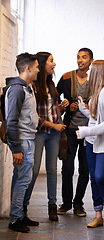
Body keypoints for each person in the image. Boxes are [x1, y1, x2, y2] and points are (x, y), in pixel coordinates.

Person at [24, 52, 68, 222]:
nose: (54, 64)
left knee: (52, 171)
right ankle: (23, 206)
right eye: (51, 61)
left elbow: (52, 110)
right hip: (40, 133)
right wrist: (53, 125)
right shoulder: (33, 87)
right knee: (34, 171)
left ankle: (52, 207)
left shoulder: (51, 85)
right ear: (42, 64)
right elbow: (34, 115)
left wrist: (61, 108)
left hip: (54, 134)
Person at [76, 60, 104, 233]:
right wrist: (83, 109)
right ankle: (98, 215)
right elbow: (96, 117)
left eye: (91, 71)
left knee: (100, 177)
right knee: (94, 178)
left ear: (97, 73)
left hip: (102, 143)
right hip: (91, 143)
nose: (88, 73)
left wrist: (86, 131)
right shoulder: (98, 92)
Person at [4, 53, 39, 233]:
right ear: (28, 68)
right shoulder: (17, 89)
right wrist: (17, 148)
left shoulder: (26, 87)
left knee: (21, 179)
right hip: (22, 141)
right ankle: (15, 219)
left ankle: (19, 215)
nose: (38, 70)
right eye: (36, 67)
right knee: (23, 179)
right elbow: (11, 121)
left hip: (28, 139)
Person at [57, 48, 94, 217]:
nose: (80, 60)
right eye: (78, 57)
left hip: (89, 131)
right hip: (70, 130)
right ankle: (66, 203)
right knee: (67, 168)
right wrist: (66, 106)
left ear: (91, 61)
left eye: (84, 57)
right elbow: (55, 98)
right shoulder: (66, 77)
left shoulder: (95, 80)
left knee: (85, 169)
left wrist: (89, 108)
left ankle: (78, 204)